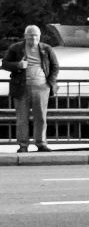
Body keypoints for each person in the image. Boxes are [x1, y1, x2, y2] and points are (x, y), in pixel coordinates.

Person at [6, 25, 57, 153]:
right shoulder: (16, 48)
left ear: (40, 36)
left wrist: (49, 83)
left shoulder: (46, 49)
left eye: (36, 36)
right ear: (25, 36)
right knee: (22, 118)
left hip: (42, 88)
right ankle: (23, 145)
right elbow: (5, 64)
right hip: (21, 87)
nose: (33, 38)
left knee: (41, 118)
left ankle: (41, 144)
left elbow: (55, 66)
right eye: (30, 36)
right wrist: (18, 65)